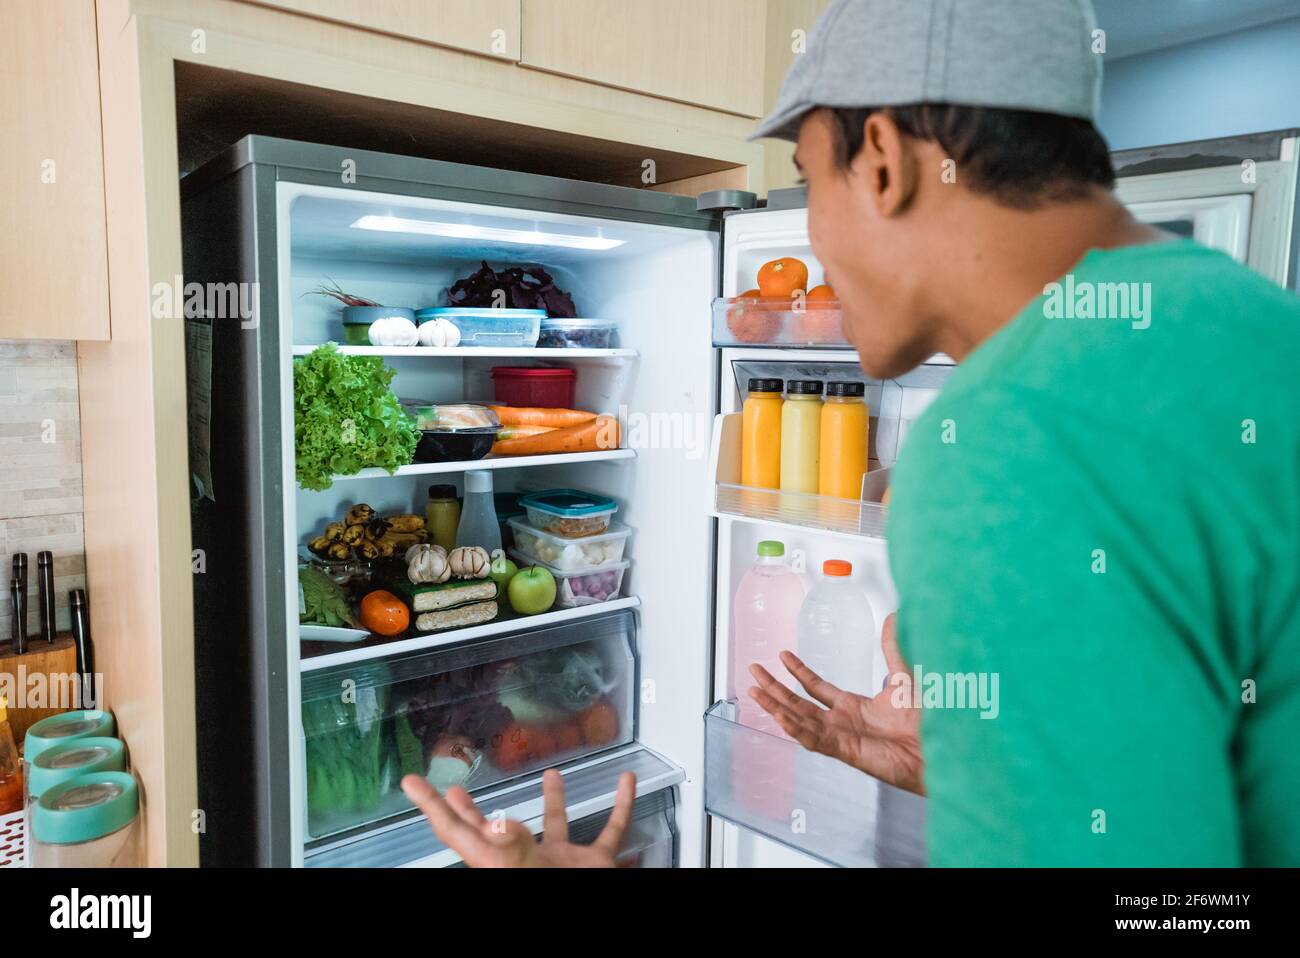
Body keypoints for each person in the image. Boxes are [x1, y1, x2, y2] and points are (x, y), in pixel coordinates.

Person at [405, 0, 1300, 867]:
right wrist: (976, 772)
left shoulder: (1012, 441)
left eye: (808, 172)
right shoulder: (1251, 320)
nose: (813, 250)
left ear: (881, 160)